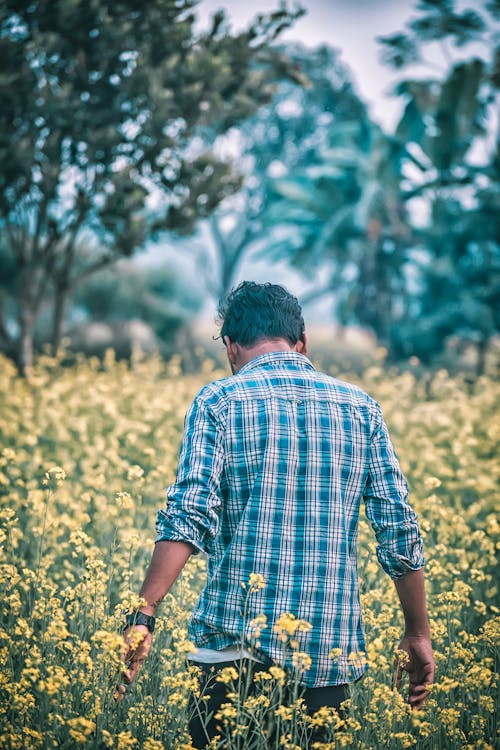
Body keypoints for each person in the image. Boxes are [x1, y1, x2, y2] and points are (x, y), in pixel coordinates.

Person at [118, 281, 435, 747]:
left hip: (231, 648)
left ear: (230, 348)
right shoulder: (362, 409)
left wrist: (143, 613)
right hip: (325, 654)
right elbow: (398, 529)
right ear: (303, 342)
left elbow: (189, 512)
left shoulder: (219, 402)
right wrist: (417, 633)